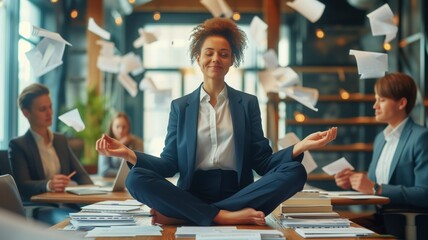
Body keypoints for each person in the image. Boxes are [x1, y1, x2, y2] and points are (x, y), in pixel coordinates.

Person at [96, 18, 337, 226]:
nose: (216, 59)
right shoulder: (180, 107)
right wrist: (129, 154)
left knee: (295, 171)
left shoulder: (248, 103)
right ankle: (223, 216)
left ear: (232, 60)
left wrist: (300, 147)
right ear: (198, 58)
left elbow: (262, 163)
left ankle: (189, 216)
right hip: (192, 192)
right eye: (209, 53)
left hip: (240, 193)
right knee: (135, 178)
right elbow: (170, 165)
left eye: (224, 54)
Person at [334, 72, 428, 236]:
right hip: (382, 218)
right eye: (376, 99)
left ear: (402, 103)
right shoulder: (380, 139)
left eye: (382, 100)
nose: (375, 106)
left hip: (406, 223)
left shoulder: (420, 138)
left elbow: (424, 194)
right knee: (334, 229)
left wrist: (375, 188)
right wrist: (353, 181)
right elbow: (376, 184)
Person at [9, 83, 93, 224]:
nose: (50, 113)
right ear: (26, 113)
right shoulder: (18, 145)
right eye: (43, 109)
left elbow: (81, 174)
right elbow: (22, 186)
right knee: (74, 223)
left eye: (50, 107)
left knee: (97, 218)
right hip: (42, 208)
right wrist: (49, 185)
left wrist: (95, 194)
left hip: (67, 204)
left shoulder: (60, 140)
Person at [98, 112, 143, 177]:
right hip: (109, 181)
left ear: (129, 127)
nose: (121, 130)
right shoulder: (105, 142)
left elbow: (140, 166)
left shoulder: (137, 142)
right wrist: (121, 144)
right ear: (112, 127)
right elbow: (104, 171)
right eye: (117, 126)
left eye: (124, 127)